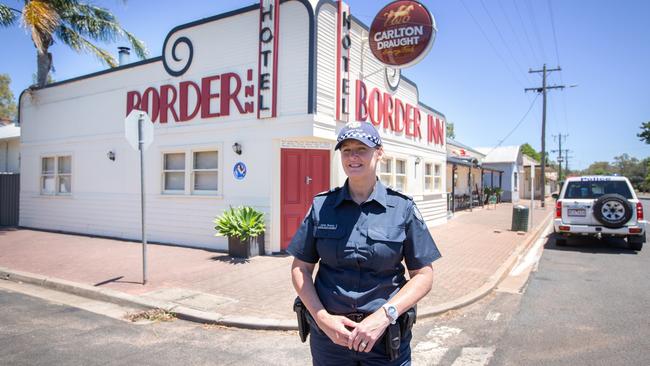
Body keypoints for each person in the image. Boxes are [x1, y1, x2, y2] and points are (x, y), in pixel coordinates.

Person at [288, 121, 441, 365]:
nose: (353, 157)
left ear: (379, 152)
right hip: (331, 342)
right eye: (346, 150)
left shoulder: (402, 208)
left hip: (384, 340)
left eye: (362, 148)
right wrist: (322, 318)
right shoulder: (322, 206)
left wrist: (384, 316)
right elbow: (301, 268)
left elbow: (424, 275)